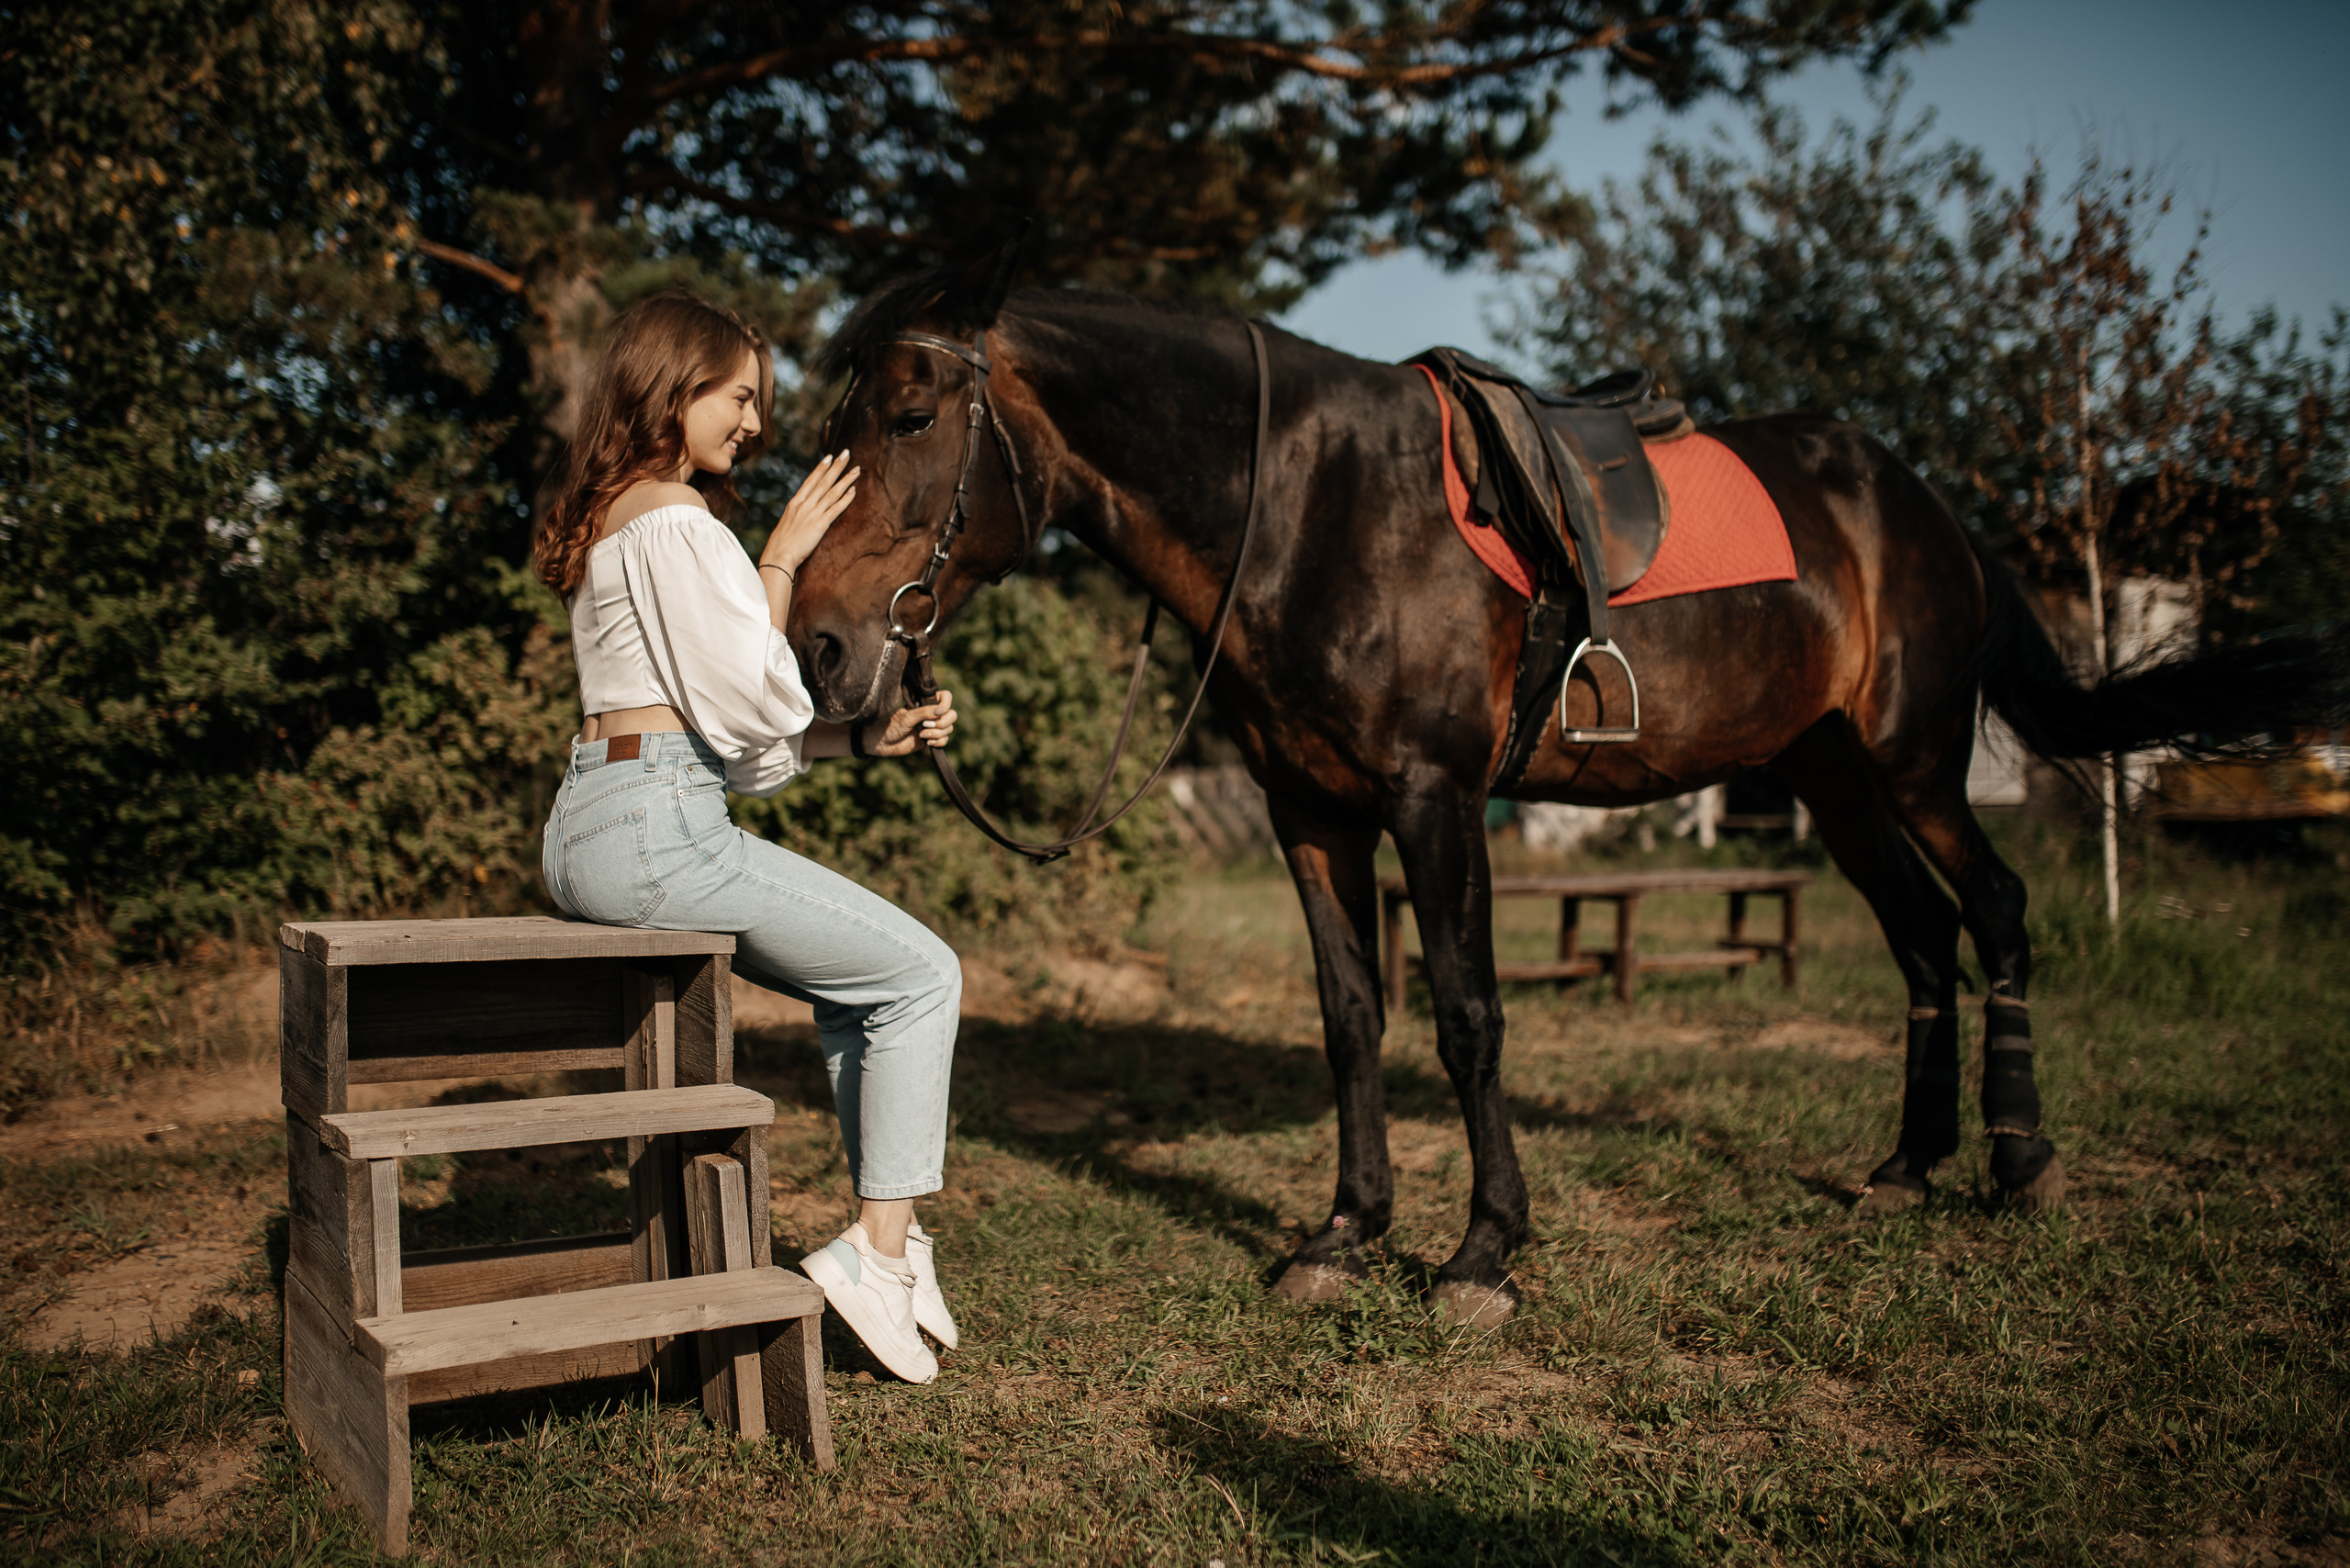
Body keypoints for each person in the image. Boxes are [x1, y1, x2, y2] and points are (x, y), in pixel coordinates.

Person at [532, 291, 961, 1384]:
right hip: (658, 829)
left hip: (600, 816)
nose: (755, 424)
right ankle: (875, 1250)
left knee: (860, 985)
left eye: (758, 403)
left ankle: (897, 1239)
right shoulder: (676, 519)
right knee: (921, 974)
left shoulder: (616, 514)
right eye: (738, 397)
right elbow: (755, 697)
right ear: (671, 387)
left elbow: (715, 734)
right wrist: (779, 557)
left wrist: (865, 743)